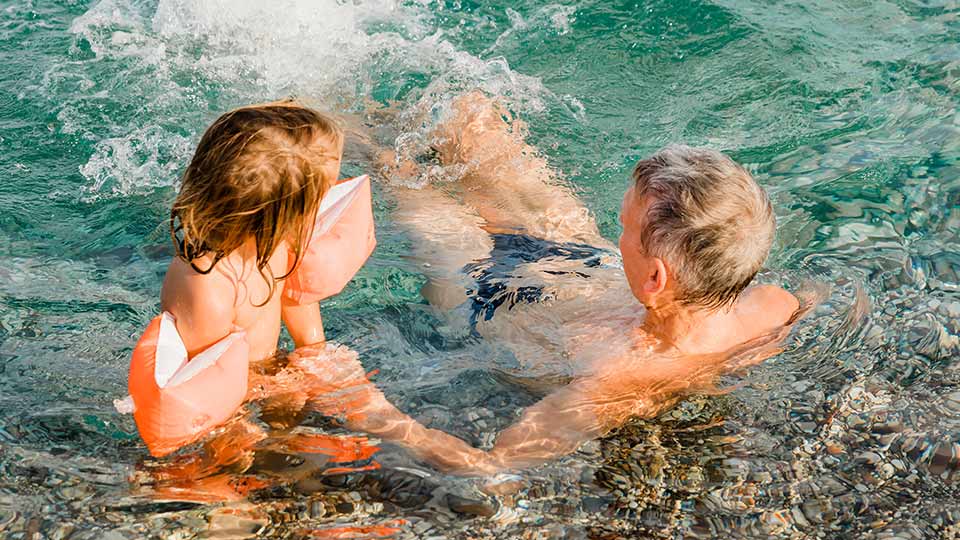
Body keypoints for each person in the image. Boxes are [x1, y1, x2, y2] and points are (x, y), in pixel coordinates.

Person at [380, 92, 804, 472]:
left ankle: (351, 126)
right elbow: (808, 301)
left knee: (394, 170)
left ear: (655, 277)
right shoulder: (771, 305)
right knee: (470, 116)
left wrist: (366, 406)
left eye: (625, 228)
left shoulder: (615, 381)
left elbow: (494, 463)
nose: (620, 235)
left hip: (485, 293)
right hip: (581, 262)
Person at [137, 101, 492, 499]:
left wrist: (318, 362)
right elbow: (212, 381)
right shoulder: (206, 285)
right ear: (284, 208)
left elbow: (303, 316)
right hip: (236, 402)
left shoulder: (277, 241)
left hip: (273, 376)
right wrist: (265, 402)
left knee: (368, 410)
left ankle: (428, 445)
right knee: (237, 473)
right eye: (319, 196)